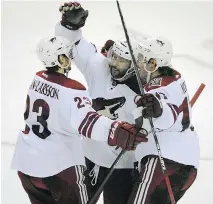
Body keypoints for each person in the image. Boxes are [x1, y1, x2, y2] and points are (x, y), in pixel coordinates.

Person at [11, 35, 148, 204]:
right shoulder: (72, 89)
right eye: (68, 55)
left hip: (27, 165)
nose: (71, 58)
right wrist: (117, 131)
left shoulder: (37, 78)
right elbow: (89, 122)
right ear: (61, 59)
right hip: (59, 168)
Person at [55, 2, 146, 204]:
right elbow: (75, 46)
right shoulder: (98, 66)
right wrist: (69, 27)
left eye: (121, 62)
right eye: (113, 58)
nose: (113, 65)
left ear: (134, 66)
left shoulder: (143, 91)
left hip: (123, 167)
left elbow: (156, 125)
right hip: (88, 157)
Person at [127, 36, 199, 204]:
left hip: (163, 163)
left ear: (152, 63)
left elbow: (167, 113)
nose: (137, 64)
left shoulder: (156, 89)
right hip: (185, 165)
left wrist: (158, 111)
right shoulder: (175, 78)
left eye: (141, 59)